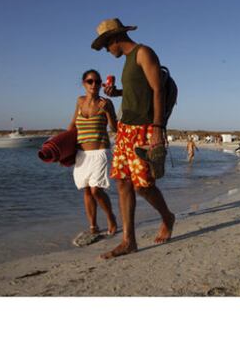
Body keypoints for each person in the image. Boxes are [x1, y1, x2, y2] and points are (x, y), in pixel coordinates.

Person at [91, 18, 175, 259]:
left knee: (143, 186)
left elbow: (157, 89)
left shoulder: (143, 53)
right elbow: (137, 91)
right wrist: (115, 93)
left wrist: (158, 127)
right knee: (122, 182)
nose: (107, 50)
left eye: (107, 45)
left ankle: (167, 217)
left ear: (115, 39)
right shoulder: (128, 61)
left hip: (145, 128)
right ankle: (129, 241)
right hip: (126, 129)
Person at [67, 69, 118, 238]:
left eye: (97, 81)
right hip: (81, 154)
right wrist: (61, 145)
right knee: (87, 191)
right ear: (84, 84)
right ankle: (93, 225)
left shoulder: (107, 102)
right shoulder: (79, 101)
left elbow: (115, 128)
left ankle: (110, 217)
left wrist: (109, 112)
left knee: (96, 190)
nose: (94, 84)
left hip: (100, 152)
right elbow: (73, 125)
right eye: (90, 81)